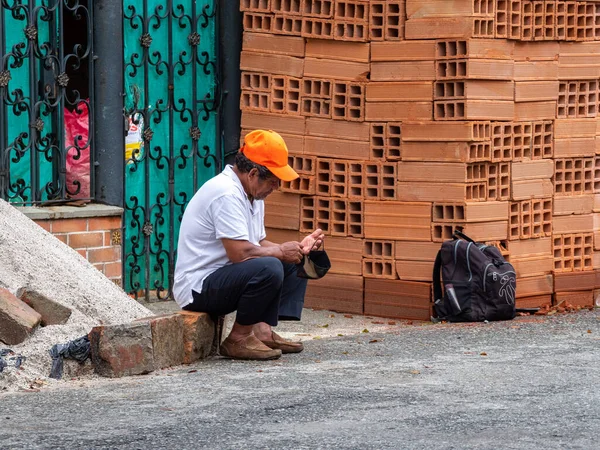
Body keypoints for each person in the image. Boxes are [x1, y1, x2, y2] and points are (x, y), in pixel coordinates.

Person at [173, 129, 325, 361]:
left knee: (294, 260)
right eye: (273, 182)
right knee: (270, 266)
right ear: (253, 173)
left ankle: (262, 331)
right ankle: (238, 339)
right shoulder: (226, 194)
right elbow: (240, 254)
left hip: (224, 277)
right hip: (197, 287)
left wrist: (297, 249)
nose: (275, 188)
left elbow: (258, 242)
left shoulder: (252, 193)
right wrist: (280, 252)